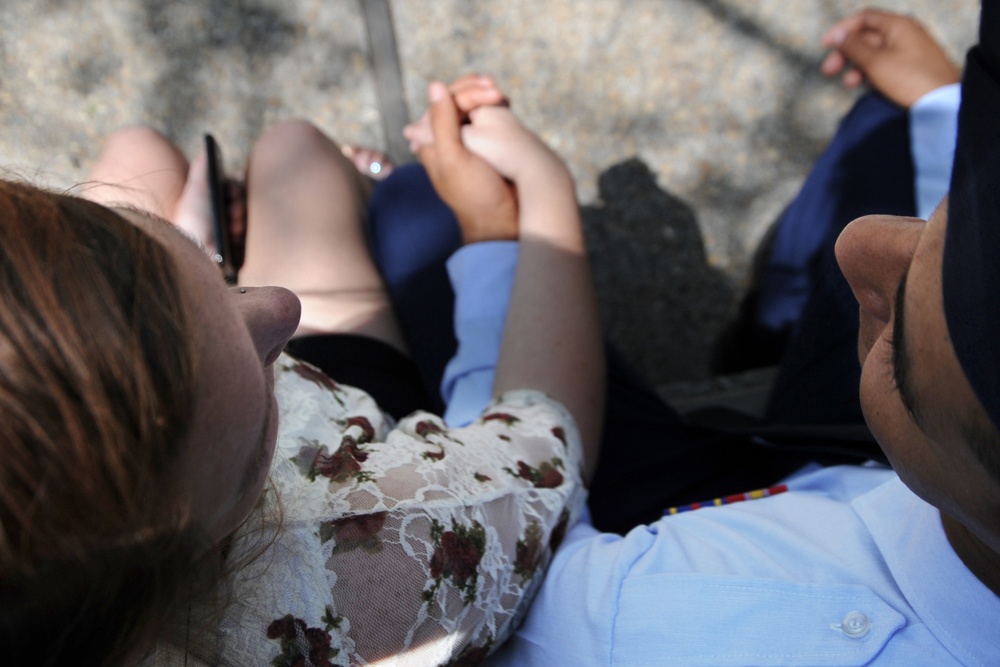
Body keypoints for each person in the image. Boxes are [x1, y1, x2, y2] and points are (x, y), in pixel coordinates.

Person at [0, 81, 604, 664]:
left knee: (138, 151)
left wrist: (180, 290)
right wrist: (533, 194)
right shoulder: (379, 568)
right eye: (255, 440)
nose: (281, 305)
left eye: (147, 244)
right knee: (296, 151)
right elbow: (547, 440)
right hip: (342, 428)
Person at [477, 7, 999, 665]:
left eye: (904, 355)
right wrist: (951, 108)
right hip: (864, 453)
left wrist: (506, 233)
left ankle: (765, 331)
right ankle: (768, 337)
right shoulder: (970, 462)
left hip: (631, 521)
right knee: (891, 125)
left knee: (425, 218)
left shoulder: (651, 621)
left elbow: (501, 549)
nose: (862, 242)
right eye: (951, 218)